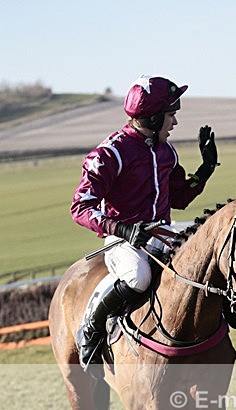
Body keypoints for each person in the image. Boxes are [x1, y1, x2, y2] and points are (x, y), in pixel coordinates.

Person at [71, 74, 219, 369]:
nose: (174, 122)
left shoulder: (166, 151)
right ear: (152, 118)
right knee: (139, 278)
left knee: (207, 258)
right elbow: (80, 206)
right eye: (170, 115)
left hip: (162, 231)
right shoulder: (108, 154)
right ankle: (92, 327)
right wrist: (122, 228)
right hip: (122, 238)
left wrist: (206, 168)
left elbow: (179, 198)